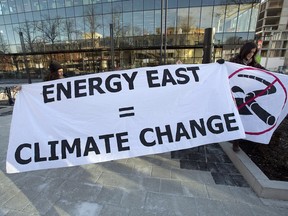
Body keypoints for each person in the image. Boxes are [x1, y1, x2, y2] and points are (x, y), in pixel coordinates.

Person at [229, 42, 266, 152]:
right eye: (250, 52)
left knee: (243, 118)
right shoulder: (234, 61)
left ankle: (239, 141)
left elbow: (266, 73)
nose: (251, 54)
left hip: (247, 95)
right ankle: (232, 139)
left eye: (253, 52)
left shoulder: (254, 64)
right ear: (245, 50)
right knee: (235, 117)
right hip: (234, 93)